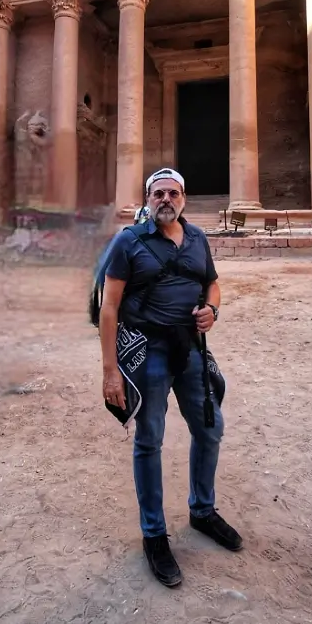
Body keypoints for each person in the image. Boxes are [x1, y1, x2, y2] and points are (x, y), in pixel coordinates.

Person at [99, 167, 242, 587]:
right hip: (150, 352)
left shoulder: (197, 239)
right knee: (149, 440)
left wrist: (212, 311)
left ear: (184, 198)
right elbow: (110, 307)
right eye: (158, 192)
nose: (166, 199)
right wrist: (111, 372)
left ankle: (202, 511)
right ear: (147, 199)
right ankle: (154, 535)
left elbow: (212, 285)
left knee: (209, 429)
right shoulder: (129, 242)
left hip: (190, 349)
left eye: (173, 192)